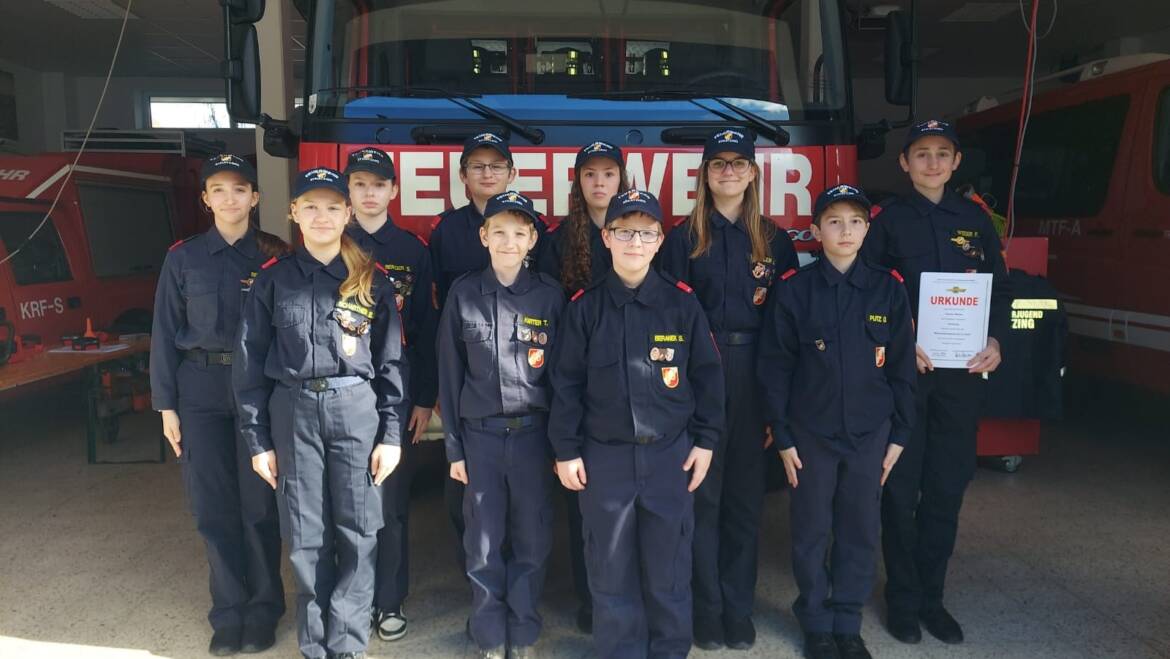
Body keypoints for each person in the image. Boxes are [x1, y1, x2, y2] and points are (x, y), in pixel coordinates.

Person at [234, 167, 408, 659]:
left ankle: (348, 645)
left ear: (348, 213)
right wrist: (258, 441)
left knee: (359, 531)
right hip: (293, 413)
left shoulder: (371, 280)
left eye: (333, 206)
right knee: (307, 535)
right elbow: (249, 368)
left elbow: (393, 362)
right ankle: (316, 646)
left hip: (357, 410)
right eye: (310, 205)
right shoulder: (272, 282)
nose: (322, 216)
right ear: (293, 213)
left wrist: (391, 435)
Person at [549, 189, 725, 659]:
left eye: (645, 233)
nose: (634, 242)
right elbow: (564, 385)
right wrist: (565, 450)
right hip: (604, 461)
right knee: (610, 575)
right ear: (606, 237)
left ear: (660, 240)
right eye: (624, 231)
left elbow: (709, 378)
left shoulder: (682, 304)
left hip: (669, 458)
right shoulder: (584, 308)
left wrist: (706, 442)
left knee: (669, 572)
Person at [861, 119, 1010, 646]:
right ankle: (901, 599)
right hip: (905, 379)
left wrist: (995, 339)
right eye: (920, 154)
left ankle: (932, 599)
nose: (931, 163)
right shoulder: (887, 221)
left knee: (946, 490)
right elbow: (867, 293)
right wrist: (900, 336)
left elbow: (1001, 291)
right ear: (904, 163)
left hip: (962, 380)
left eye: (941, 154)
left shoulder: (976, 220)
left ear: (955, 162)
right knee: (900, 492)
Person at [758, 184, 916, 659]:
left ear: (868, 229)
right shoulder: (794, 290)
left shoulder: (889, 288)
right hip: (811, 436)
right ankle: (816, 623)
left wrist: (901, 434)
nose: (844, 231)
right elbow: (775, 368)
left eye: (854, 222)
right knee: (809, 530)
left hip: (871, 435)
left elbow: (903, 368)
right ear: (815, 230)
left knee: (860, 529)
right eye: (833, 221)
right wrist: (782, 435)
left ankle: (847, 623)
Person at [658, 128, 799, 650]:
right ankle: (706, 611)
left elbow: (785, 328)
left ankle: (738, 609)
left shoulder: (774, 239)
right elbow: (667, 320)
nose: (729, 172)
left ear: (754, 173)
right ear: (705, 174)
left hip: (754, 374)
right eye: (719, 164)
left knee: (744, 502)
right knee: (701, 501)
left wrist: (774, 403)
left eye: (739, 163)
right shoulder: (682, 238)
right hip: (699, 375)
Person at [150, 154, 287, 656]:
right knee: (213, 509)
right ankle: (229, 613)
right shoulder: (182, 258)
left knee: (259, 507)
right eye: (219, 190)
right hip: (200, 391)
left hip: (260, 391)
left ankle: (265, 610)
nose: (230, 198)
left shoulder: (275, 259)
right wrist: (167, 406)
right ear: (205, 199)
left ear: (255, 197)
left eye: (240, 189)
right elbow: (164, 334)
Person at [437, 191, 564, 659]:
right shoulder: (463, 293)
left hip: (534, 436)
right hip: (481, 439)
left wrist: (560, 446)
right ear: (483, 235)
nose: (508, 242)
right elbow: (450, 379)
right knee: (484, 544)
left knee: (532, 540)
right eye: (499, 232)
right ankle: (490, 636)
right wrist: (453, 449)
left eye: (519, 233)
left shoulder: (551, 296)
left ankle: (525, 633)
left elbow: (564, 380)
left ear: (532, 239)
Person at [429, 132, 547, 571]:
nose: (487, 173)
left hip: (527, 408)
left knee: (530, 523)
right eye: (477, 166)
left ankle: (520, 611)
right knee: (475, 522)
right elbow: (439, 304)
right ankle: (484, 609)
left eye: (496, 165)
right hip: (476, 401)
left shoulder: (545, 290)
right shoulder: (449, 239)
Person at [533, 139, 631, 634]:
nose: (599, 183)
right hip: (574, 378)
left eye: (608, 174)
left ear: (622, 180)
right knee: (581, 497)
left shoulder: (639, 233)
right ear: (577, 183)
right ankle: (590, 599)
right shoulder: (555, 241)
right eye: (589, 174)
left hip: (628, 382)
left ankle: (625, 599)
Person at [343, 147, 438, 642]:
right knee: (345, 503)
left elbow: (423, 326)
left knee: (391, 502)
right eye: (359, 184)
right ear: (349, 191)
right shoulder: (329, 245)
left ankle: (389, 600)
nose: (369, 193)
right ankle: (353, 600)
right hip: (339, 391)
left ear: (393, 191)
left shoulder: (412, 250)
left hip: (395, 391)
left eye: (378, 184)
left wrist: (423, 399)